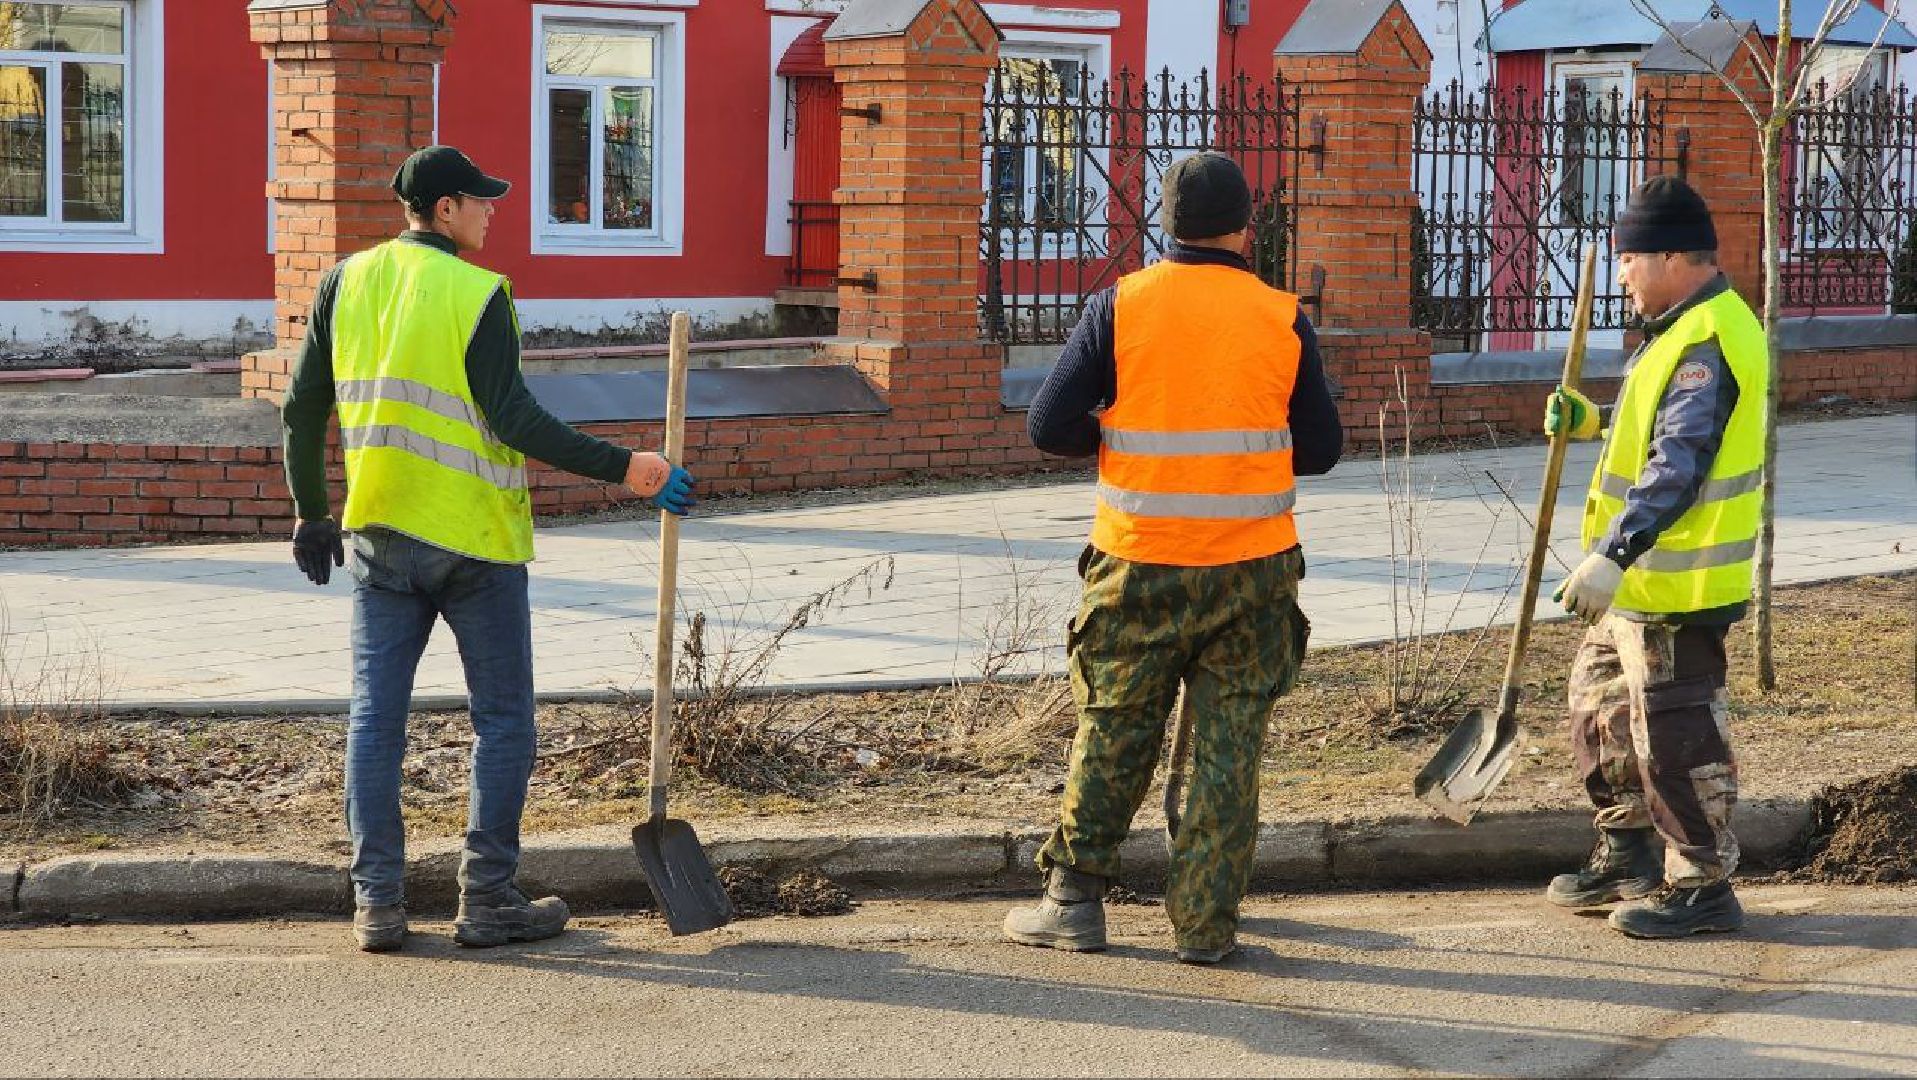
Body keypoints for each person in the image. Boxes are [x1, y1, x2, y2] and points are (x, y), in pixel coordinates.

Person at [280, 145, 696, 953]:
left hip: (378, 535)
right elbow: (515, 420)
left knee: (374, 722)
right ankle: (489, 900)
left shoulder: (344, 281)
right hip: (473, 540)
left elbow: (302, 409)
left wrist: (309, 515)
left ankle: (378, 907)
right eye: (482, 200)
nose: (492, 211)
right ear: (445, 210)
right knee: (503, 723)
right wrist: (631, 468)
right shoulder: (478, 293)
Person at [1002, 152, 1343, 964]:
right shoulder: (1280, 316)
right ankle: (1204, 927)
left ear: (1165, 225)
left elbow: (1047, 426)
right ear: (1245, 229)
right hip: (1253, 568)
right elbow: (1323, 448)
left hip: (1138, 561)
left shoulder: (1120, 305)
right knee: (1230, 747)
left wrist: (1118, 441)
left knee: (1116, 728)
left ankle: (1072, 901)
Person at [1542, 175, 1766, 939]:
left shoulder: (1709, 340)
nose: (1621, 275)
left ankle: (1701, 884)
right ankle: (1629, 853)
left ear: (1673, 255)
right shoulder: (1675, 331)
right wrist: (1590, 422)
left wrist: (1612, 552)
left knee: (1672, 733)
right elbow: (1650, 435)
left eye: (1628, 259)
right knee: (1597, 711)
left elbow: (1679, 463)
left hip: (1678, 583)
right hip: (1637, 587)